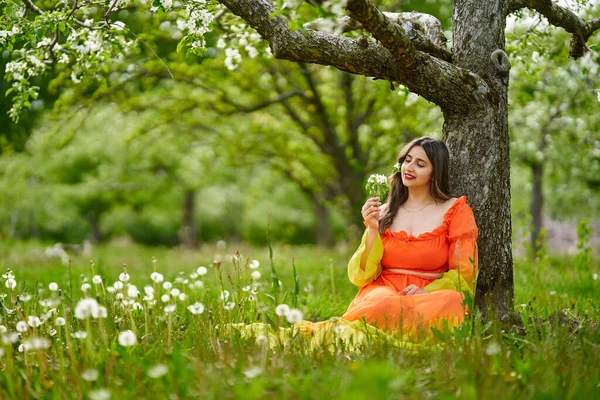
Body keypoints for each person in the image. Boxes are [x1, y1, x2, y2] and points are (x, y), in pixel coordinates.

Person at [336, 136, 479, 337]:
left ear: (435, 172)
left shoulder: (456, 210)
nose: (409, 168)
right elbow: (362, 276)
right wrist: (371, 229)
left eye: (420, 164)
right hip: (386, 290)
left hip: (431, 294)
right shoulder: (384, 211)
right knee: (383, 302)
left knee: (453, 301)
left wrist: (428, 292)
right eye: (407, 160)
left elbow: (465, 271)